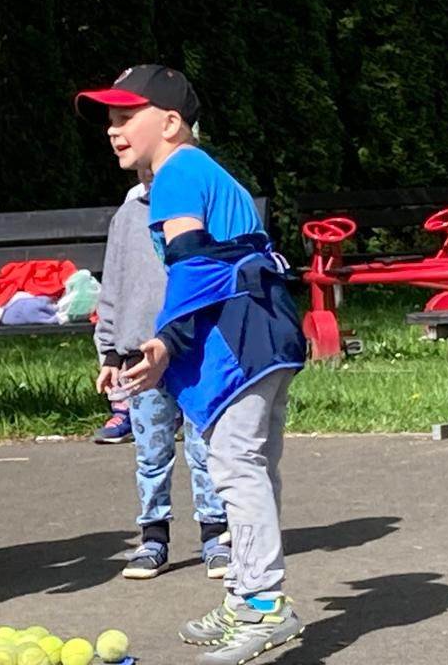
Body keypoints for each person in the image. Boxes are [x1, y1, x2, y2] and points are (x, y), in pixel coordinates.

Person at [77, 65, 307, 665]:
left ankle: (262, 605)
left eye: (127, 116)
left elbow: (194, 266)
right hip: (265, 330)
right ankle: (245, 595)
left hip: (242, 338)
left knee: (236, 465)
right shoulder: (201, 171)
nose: (113, 128)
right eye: (109, 118)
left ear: (172, 123)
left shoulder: (177, 173)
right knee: (249, 466)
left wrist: (164, 342)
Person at [95, 169, 230, 580]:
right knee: (151, 451)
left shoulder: (202, 202)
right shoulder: (128, 216)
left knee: (203, 447)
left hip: (194, 348)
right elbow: (113, 283)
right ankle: (153, 535)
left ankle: (215, 534)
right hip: (140, 349)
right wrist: (109, 351)